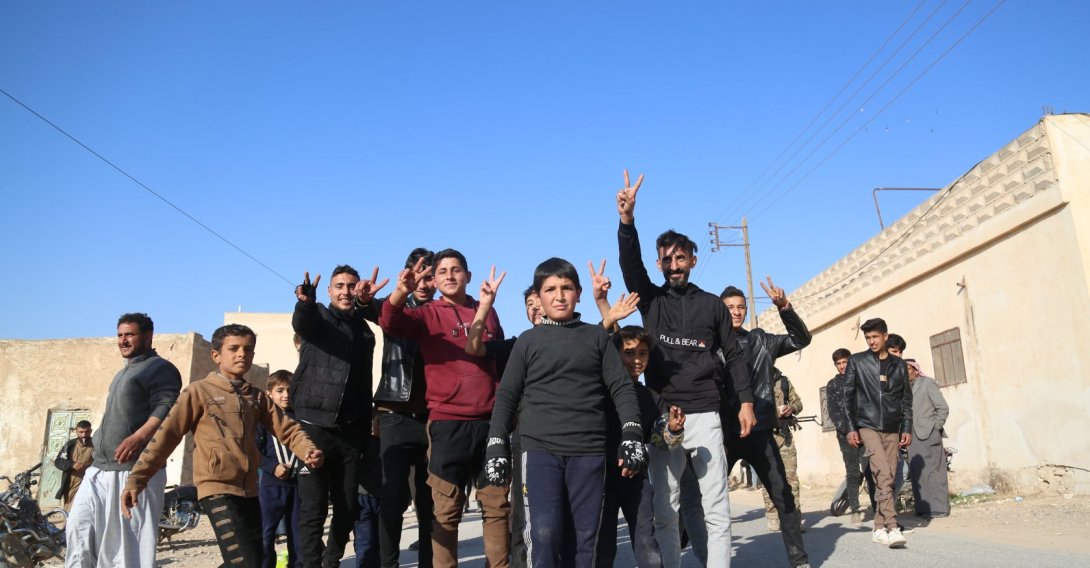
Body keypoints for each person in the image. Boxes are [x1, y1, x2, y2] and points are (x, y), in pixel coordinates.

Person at [615, 171, 755, 568]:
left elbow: (733, 353)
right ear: (658, 263)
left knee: (715, 507)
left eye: (680, 257)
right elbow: (630, 264)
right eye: (666, 258)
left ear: (693, 260)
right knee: (666, 507)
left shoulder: (712, 305)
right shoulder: (652, 301)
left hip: (707, 413)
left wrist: (745, 401)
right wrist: (627, 221)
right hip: (664, 416)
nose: (673, 265)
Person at [483, 258, 647, 568]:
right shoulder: (527, 342)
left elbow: (621, 388)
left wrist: (632, 433)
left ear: (579, 293)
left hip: (588, 451)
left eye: (566, 288)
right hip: (540, 451)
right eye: (550, 289)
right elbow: (506, 396)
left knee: (585, 539)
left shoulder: (596, 337)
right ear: (539, 296)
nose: (559, 296)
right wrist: (496, 445)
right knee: (543, 535)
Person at [121, 324, 324, 566]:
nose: (242, 354)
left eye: (248, 349)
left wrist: (308, 449)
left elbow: (288, 429)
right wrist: (137, 479)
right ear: (216, 355)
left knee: (253, 560)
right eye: (234, 348)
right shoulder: (198, 392)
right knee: (243, 561)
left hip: (250, 490)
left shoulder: (256, 397)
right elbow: (167, 436)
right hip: (216, 489)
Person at [379, 249, 510, 568]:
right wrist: (402, 291)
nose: (450, 275)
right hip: (447, 425)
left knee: (497, 508)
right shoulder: (427, 313)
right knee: (446, 512)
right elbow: (389, 320)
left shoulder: (487, 311)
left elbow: (500, 362)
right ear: (434, 280)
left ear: (468, 275)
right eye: (443, 271)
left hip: (490, 426)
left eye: (456, 269)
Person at [65, 313, 181, 568]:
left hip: (133, 471)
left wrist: (140, 436)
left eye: (130, 334)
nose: (123, 340)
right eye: (120, 335)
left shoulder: (160, 368)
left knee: (126, 549)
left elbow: (167, 405)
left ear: (148, 336)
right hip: (99, 469)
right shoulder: (123, 373)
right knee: (78, 531)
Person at [292, 265, 387, 567]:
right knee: (313, 509)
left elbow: (363, 380)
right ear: (330, 291)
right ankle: (311, 564)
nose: (345, 291)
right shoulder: (318, 317)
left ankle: (330, 559)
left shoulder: (364, 330)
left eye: (351, 286)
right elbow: (302, 322)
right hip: (312, 427)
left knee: (347, 507)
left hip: (350, 432)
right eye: (339, 286)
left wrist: (367, 419)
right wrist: (305, 302)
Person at [717, 283, 811, 567]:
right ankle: (678, 554)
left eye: (740, 307)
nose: (735, 312)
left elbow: (800, 339)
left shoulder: (761, 341)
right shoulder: (709, 345)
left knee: (783, 496)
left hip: (760, 433)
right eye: (729, 307)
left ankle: (800, 561)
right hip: (724, 435)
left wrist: (785, 308)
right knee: (702, 498)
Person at [597, 325, 685, 568]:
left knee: (647, 542)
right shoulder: (599, 392)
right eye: (629, 353)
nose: (637, 360)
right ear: (615, 355)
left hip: (636, 480)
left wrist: (673, 429)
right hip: (600, 478)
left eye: (643, 353)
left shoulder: (651, 397)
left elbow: (658, 441)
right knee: (602, 547)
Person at [372, 248, 436, 568]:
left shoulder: (443, 312)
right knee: (394, 496)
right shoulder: (394, 307)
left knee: (429, 502)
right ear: (408, 275)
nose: (425, 283)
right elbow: (372, 309)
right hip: (395, 414)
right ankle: (389, 564)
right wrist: (363, 299)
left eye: (430, 276)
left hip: (432, 418)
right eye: (419, 275)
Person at [842, 318, 913, 549]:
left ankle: (878, 526)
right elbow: (848, 397)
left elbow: (906, 400)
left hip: (892, 427)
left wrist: (907, 428)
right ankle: (892, 526)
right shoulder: (857, 362)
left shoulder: (899, 365)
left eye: (875, 337)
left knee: (889, 477)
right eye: (868, 338)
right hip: (867, 425)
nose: (872, 341)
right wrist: (851, 428)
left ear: (885, 336)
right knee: (882, 472)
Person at [256, 370, 304, 568]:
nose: (285, 395)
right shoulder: (262, 420)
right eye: (280, 390)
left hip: (298, 485)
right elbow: (253, 450)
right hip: (270, 485)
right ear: (269, 393)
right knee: (266, 535)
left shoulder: (300, 418)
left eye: (290, 390)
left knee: (298, 536)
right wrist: (272, 467)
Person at [825, 348, 874, 524]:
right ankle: (855, 508)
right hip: (846, 436)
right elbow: (833, 411)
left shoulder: (861, 379)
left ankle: (877, 507)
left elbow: (869, 405)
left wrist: (862, 429)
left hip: (865, 432)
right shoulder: (832, 385)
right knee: (852, 472)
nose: (842, 366)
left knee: (870, 470)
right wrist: (849, 431)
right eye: (838, 363)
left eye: (845, 362)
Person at [905, 359, 950, 519]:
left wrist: (936, 427)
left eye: (908, 369)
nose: (905, 372)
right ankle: (923, 508)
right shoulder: (903, 389)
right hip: (912, 436)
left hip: (929, 433)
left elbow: (942, 408)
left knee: (934, 471)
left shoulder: (927, 383)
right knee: (918, 472)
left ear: (916, 370)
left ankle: (939, 508)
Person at [761, 368, 804, 532]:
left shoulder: (783, 381)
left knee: (791, 479)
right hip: (764, 436)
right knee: (768, 478)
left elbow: (799, 403)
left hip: (784, 435)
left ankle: (795, 518)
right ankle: (773, 516)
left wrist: (791, 408)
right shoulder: (752, 380)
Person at [54, 420, 94, 512]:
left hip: (88, 482)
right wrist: (72, 464)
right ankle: (68, 526)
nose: (84, 435)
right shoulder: (70, 445)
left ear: (90, 431)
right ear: (76, 431)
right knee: (70, 509)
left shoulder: (96, 445)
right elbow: (59, 461)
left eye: (87, 432)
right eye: (81, 432)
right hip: (71, 483)